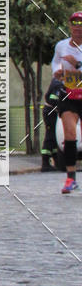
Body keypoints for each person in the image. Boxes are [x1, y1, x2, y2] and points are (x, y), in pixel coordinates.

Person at [51, 11, 82, 194]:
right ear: (70, 26)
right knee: (69, 134)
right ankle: (70, 178)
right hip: (68, 94)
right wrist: (57, 72)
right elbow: (55, 63)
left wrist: (77, 64)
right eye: (74, 23)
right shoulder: (61, 46)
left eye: (81, 24)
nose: (78, 27)